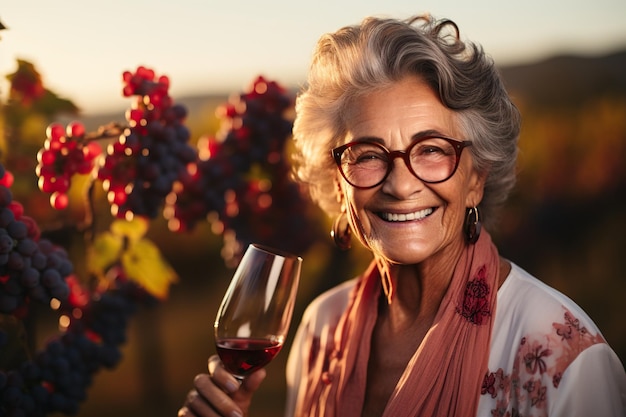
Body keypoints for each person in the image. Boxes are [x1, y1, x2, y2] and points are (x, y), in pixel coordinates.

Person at [179, 13, 626, 417]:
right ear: (338, 181)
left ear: (476, 178)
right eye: (368, 154)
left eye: (432, 150)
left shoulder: (562, 359)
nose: (400, 183)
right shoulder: (320, 328)